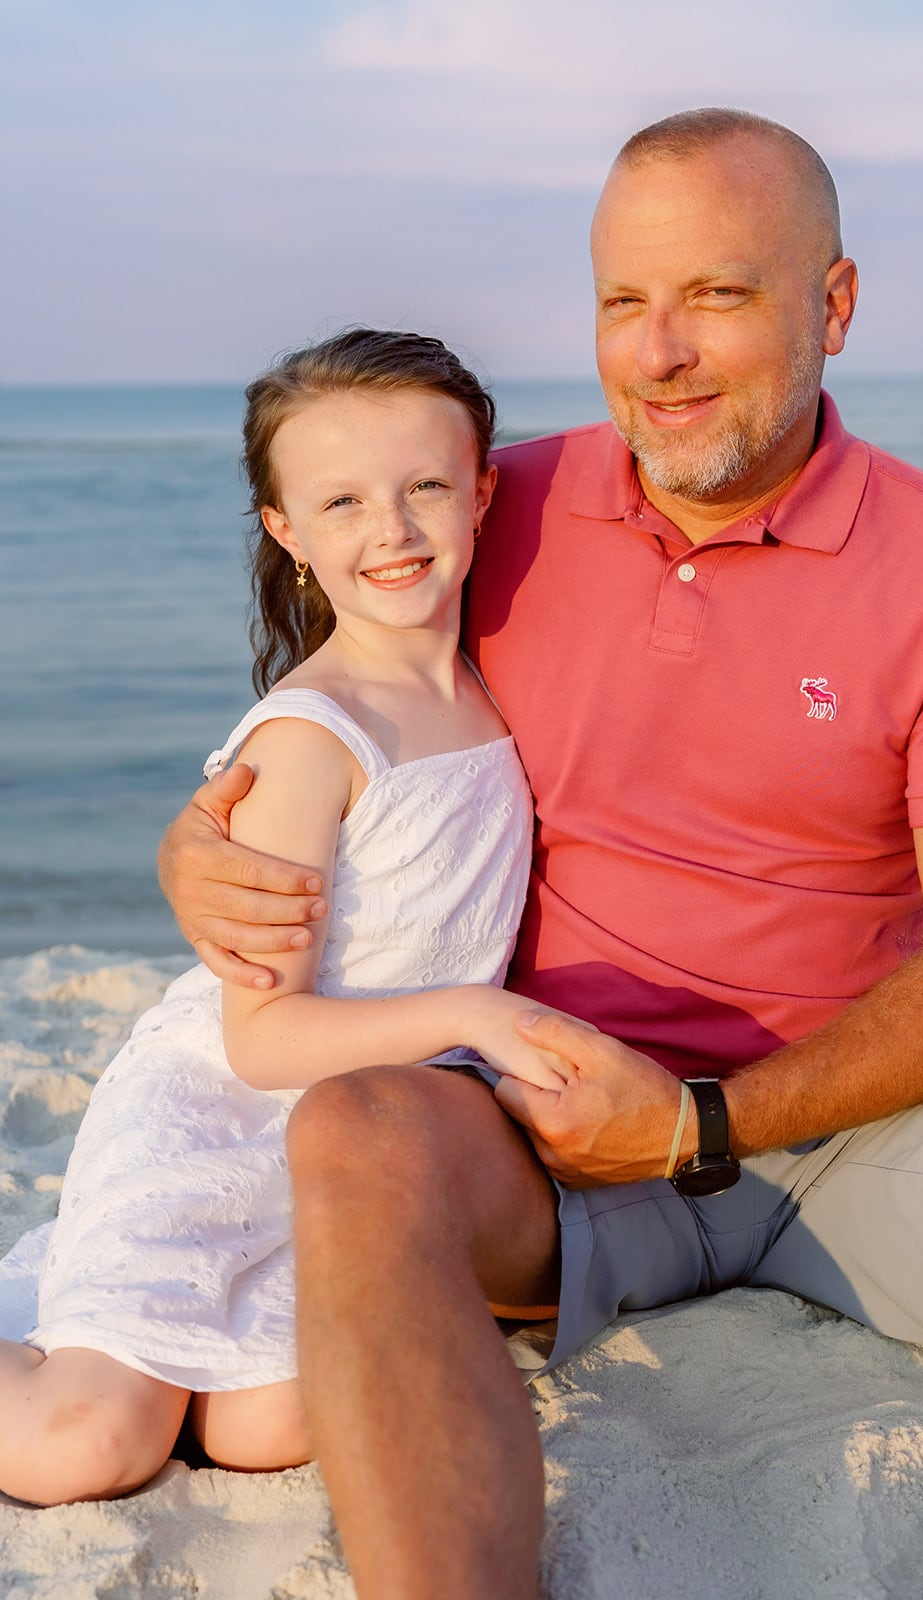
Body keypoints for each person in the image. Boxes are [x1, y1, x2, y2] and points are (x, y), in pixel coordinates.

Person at [160, 110, 923, 1600]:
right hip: (548, 1129)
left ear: (829, 307)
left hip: (856, 1129)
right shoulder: (488, 508)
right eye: (621, 304)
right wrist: (195, 845)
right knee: (358, 1134)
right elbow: (324, 719)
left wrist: (703, 1126)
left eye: (716, 294)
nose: (660, 353)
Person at [0, 327, 574, 1509]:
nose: (393, 529)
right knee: (86, 1446)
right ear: (286, 531)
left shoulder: (483, 682)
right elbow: (260, 1040)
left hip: (343, 1151)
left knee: (273, 1425)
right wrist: (479, 1012)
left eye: (424, 485)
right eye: (342, 500)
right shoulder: (312, 737)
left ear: (481, 490)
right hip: (222, 1119)